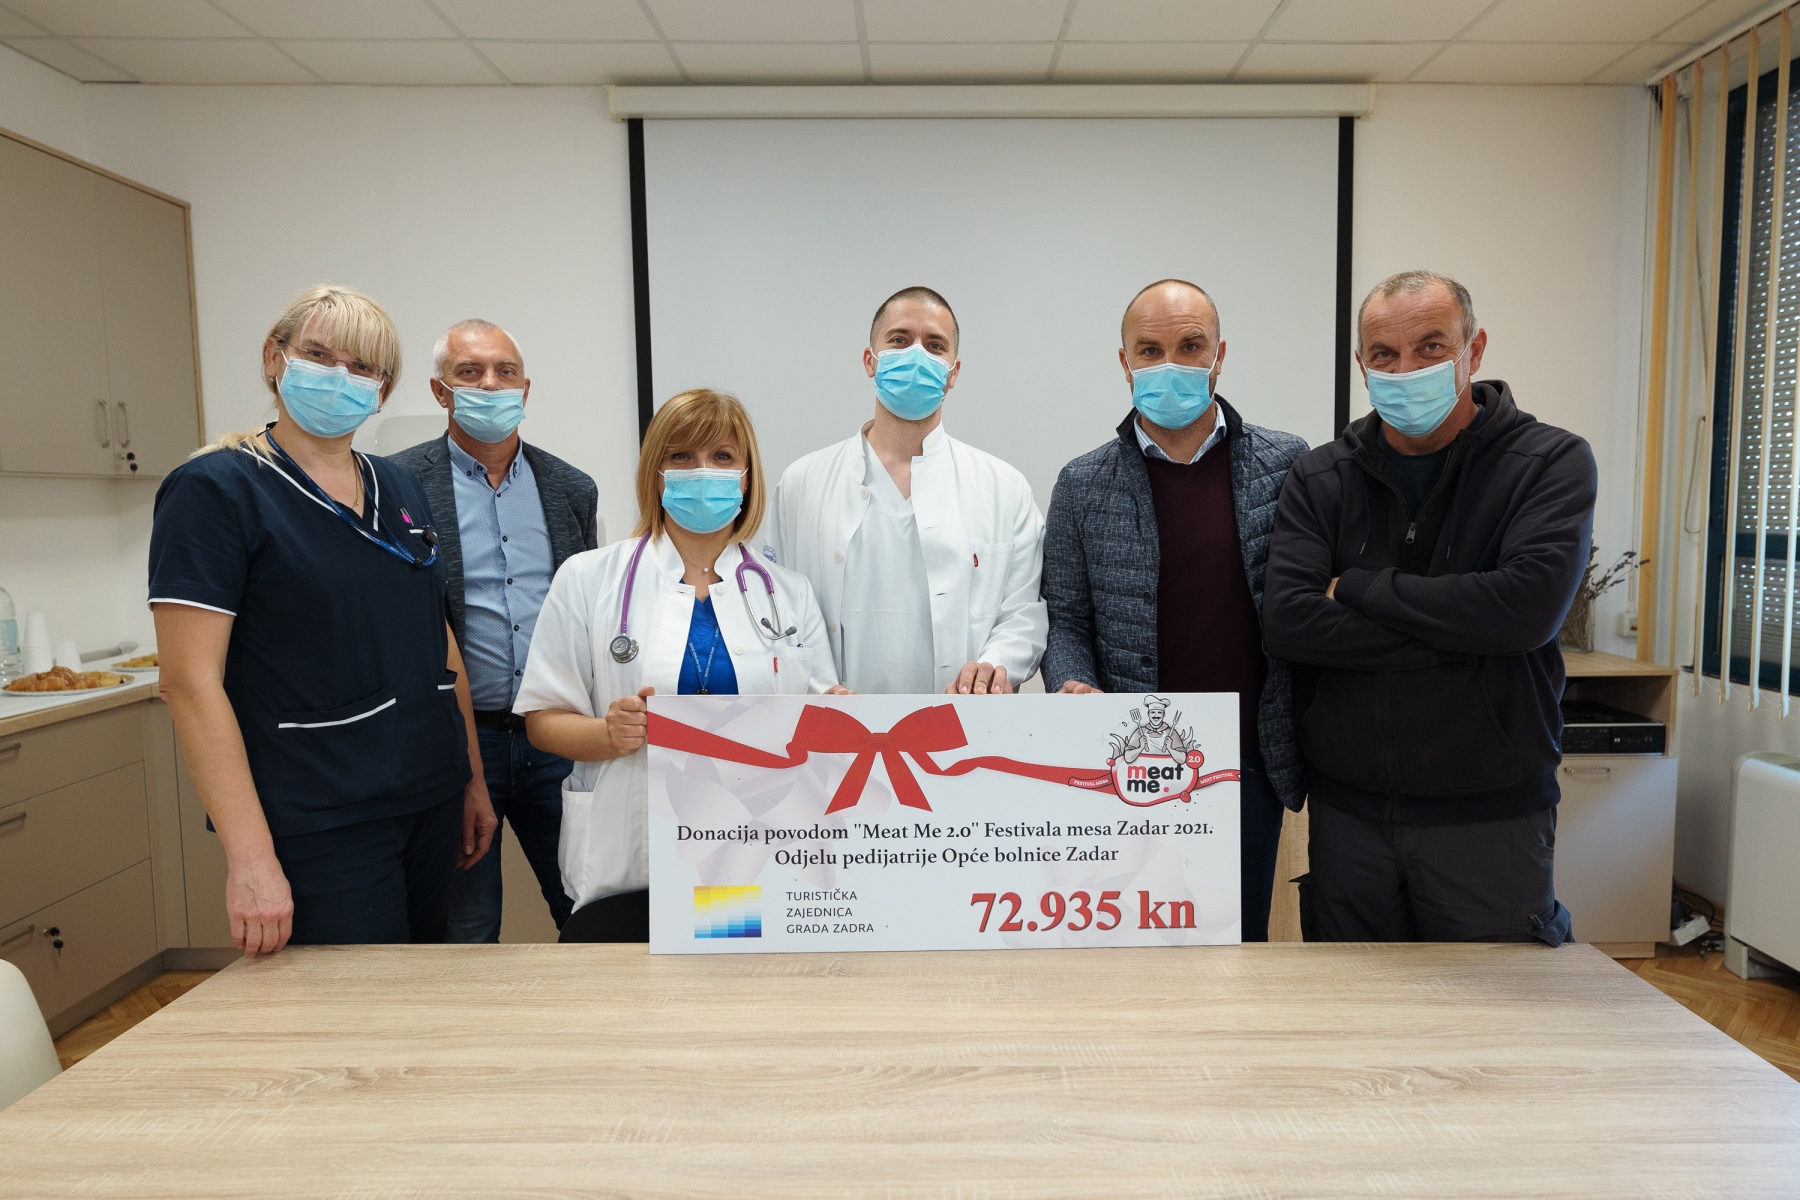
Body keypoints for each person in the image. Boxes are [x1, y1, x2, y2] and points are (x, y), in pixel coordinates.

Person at [150, 285, 496, 957]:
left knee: (424, 992)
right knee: (350, 1009)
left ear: (383, 390)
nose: (340, 377)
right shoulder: (216, 489)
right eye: (317, 355)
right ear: (274, 359)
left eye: (361, 366)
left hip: (428, 796)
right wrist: (250, 856)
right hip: (320, 816)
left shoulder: (398, 485)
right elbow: (188, 683)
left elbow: (439, 640)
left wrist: (471, 779)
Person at [1263, 270, 1597, 945]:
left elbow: (1526, 612)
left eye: (1431, 347)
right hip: (1349, 821)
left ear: (1474, 350)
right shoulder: (1322, 475)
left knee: (1493, 1009)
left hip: (1490, 819)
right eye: (1384, 355)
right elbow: (1290, 621)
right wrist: (1468, 633)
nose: (1406, 369)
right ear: (1362, 366)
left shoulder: (1548, 463)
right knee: (1352, 1007)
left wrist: (1358, 587)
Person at [516, 388, 839, 943]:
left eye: (722, 457)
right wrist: (607, 734)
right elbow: (543, 720)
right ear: (657, 472)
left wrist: (845, 717)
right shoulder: (589, 579)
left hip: (749, 853)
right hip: (630, 855)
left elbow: (817, 718)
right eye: (681, 456)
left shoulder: (788, 592)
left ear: (746, 476)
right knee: (623, 986)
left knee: (726, 982)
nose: (702, 471)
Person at [1041, 279, 1308, 942]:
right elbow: (1066, 618)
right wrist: (1071, 679)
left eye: (1190, 347)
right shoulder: (1082, 483)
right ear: (1124, 362)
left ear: (1219, 355)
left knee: (1236, 950)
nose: (1170, 365)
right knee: (1130, 952)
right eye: (1150, 350)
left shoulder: (1287, 464)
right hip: (1128, 765)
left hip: (1246, 763)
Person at [388, 319, 600, 942]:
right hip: (457, 742)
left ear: (526, 389)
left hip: (556, 735)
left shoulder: (571, 488)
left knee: (587, 908)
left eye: (506, 372)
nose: (490, 385)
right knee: (468, 926)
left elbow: (587, 608)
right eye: (470, 372)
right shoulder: (399, 486)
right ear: (440, 390)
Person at [767, 286, 1046, 696]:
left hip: (967, 722)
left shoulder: (1004, 488)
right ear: (870, 360)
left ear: (953, 372)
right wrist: (818, 685)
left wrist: (991, 669)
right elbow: (778, 608)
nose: (917, 355)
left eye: (935, 345)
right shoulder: (802, 483)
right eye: (899, 340)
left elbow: (1023, 614)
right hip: (834, 724)